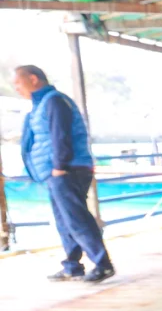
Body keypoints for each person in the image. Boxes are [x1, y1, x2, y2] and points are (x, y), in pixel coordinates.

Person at [13, 64, 114, 283]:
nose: (17, 89)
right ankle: (72, 266)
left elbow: (60, 135)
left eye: (18, 83)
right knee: (64, 219)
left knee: (76, 218)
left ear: (33, 79)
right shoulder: (42, 104)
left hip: (67, 169)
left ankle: (103, 264)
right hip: (57, 170)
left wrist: (59, 166)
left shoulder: (55, 101)